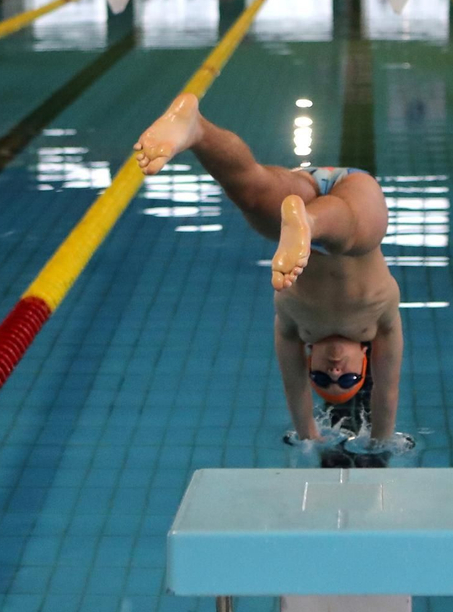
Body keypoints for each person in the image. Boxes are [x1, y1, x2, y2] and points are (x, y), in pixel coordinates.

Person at [134, 94, 404, 444]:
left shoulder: (294, 327)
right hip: (355, 202)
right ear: (365, 360)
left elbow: (294, 390)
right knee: (350, 237)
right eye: (348, 379)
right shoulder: (380, 325)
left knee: (251, 189)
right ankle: (308, 222)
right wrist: (380, 446)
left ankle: (197, 129)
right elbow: (387, 392)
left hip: (301, 193)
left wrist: (309, 435)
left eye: (322, 378)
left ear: (310, 362)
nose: (334, 371)